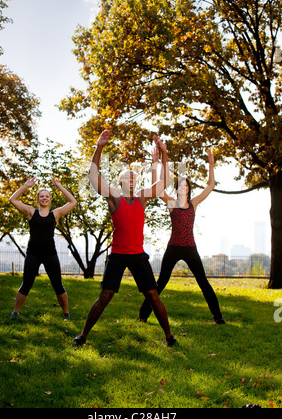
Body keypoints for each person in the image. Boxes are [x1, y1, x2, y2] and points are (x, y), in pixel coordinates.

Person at [74, 130, 176, 347]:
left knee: (153, 295)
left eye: (134, 178)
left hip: (138, 255)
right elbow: (93, 177)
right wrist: (99, 147)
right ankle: (83, 335)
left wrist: (164, 155)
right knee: (105, 296)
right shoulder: (114, 197)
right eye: (126, 178)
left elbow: (164, 182)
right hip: (118, 255)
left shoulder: (142, 197)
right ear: (119, 183)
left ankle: (169, 337)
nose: (131, 180)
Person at [138, 148, 225, 325]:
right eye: (180, 185)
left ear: (188, 188)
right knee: (160, 283)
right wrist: (155, 164)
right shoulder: (171, 203)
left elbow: (210, 185)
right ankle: (142, 316)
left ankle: (218, 318)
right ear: (177, 188)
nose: (183, 188)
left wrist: (211, 163)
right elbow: (157, 188)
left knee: (203, 283)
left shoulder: (194, 203)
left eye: (186, 185)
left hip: (190, 248)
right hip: (173, 248)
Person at [9, 177, 77, 319]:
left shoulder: (56, 214)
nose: (44, 198)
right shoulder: (30, 212)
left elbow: (73, 202)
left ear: (50, 199)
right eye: (42, 196)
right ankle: (15, 312)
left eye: (47, 196)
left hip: (50, 254)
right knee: (26, 284)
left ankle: (66, 313)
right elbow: (13, 200)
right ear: (38, 199)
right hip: (33, 254)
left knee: (58, 285)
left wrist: (59, 186)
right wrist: (25, 186)